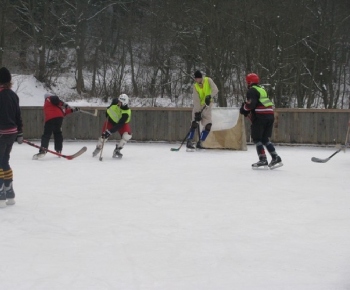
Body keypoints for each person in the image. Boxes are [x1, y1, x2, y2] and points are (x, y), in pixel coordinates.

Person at [240, 73, 283, 169]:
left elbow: (251, 105)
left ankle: (263, 159)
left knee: (257, 138)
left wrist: (243, 108)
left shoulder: (251, 91)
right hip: (270, 115)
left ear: (249, 82)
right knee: (265, 139)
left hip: (260, 117)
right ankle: (275, 157)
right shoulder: (262, 90)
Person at [0, 67, 23, 207]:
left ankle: (1, 193)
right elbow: (18, 115)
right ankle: (10, 193)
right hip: (11, 133)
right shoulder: (13, 95)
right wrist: (19, 132)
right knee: (4, 161)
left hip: (1, 133)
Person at [33, 93, 80, 159]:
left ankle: (43, 149)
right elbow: (58, 103)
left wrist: (72, 109)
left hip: (50, 119)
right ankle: (58, 149)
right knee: (58, 133)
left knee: (46, 135)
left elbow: (62, 111)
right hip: (59, 118)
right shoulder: (50, 100)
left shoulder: (50, 103)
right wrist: (64, 104)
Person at [186, 70, 219, 151]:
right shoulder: (195, 86)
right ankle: (189, 141)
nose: (196, 80)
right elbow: (196, 99)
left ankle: (200, 142)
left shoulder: (208, 80)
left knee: (208, 125)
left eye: (197, 78)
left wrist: (209, 96)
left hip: (207, 106)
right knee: (194, 123)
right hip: (199, 106)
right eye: (195, 79)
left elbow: (215, 89)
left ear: (201, 77)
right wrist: (197, 112)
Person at [92, 94, 132, 159]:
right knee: (104, 136)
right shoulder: (115, 102)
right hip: (110, 121)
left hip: (121, 124)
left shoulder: (126, 113)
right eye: (118, 101)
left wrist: (110, 132)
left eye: (120, 102)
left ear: (124, 103)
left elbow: (119, 125)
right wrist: (107, 112)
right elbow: (109, 109)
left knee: (127, 135)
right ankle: (98, 147)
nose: (118, 103)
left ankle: (117, 150)